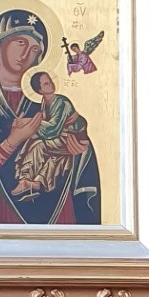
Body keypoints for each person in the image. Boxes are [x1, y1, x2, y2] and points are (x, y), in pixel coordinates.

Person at [0, 9, 101, 225]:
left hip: (56, 218)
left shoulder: (46, 101)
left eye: (35, 48)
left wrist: (79, 149)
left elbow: (74, 136)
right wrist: (11, 143)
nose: (26, 54)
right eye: (20, 43)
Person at [12, 70, 95, 217]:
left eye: (49, 81)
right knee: (46, 152)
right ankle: (31, 182)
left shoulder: (62, 102)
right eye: (46, 83)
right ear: (39, 90)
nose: (50, 84)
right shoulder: (45, 103)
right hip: (62, 138)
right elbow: (46, 124)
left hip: (74, 138)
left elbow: (52, 129)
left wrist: (28, 122)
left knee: (40, 145)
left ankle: (26, 178)